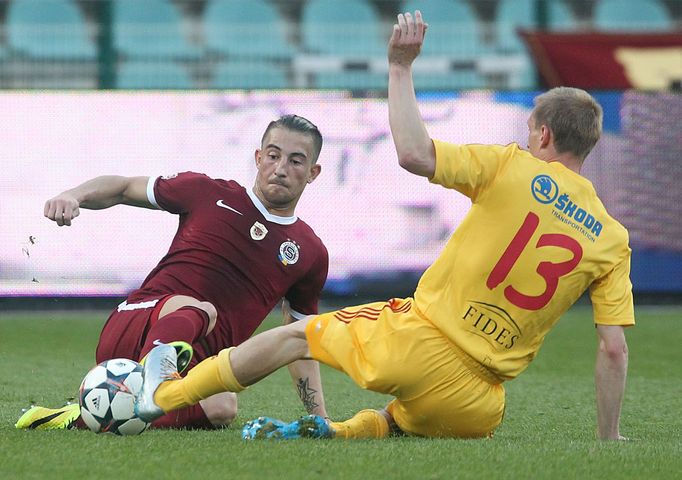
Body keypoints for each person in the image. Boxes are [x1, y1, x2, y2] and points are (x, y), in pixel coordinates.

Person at [135, 10, 633, 440]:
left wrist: (399, 68)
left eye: (529, 135)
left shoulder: (514, 166)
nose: (526, 143)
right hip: (479, 403)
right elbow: (612, 348)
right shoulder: (612, 240)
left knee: (295, 335)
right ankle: (338, 430)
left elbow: (415, 154)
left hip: (419, 343)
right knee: (399, 421)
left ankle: (161, 396)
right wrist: (608, 438)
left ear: (543, 134)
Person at [16, 114, 330, 431]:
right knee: (201, 309)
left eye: (295, 161)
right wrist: (74, 195)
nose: (280, 169)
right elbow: (124, 188)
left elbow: (298, 340)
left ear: (312, 173)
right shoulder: (206, 192)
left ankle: (82, 416)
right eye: (273, 156)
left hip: (195, 360)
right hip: (138, 322)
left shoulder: (310, 252)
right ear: (259, 157)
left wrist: (321, 418)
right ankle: (153, 381)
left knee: (222, 407)